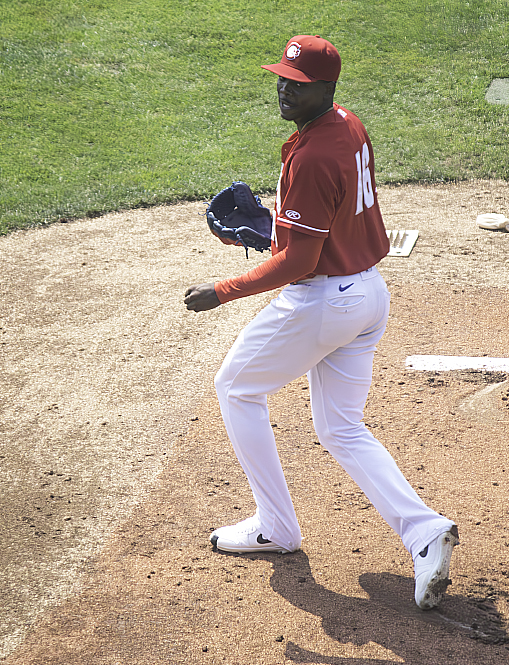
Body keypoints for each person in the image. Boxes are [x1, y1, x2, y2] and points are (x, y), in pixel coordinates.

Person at [183, 35, 459, 609]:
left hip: (324, 302)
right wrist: (278, 231)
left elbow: (301, 263)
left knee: (235, 387)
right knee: (341, 428)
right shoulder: (347, 125)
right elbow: (327, 222)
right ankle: (425, 530)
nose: (285, 90)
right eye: (283, 79)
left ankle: (275, 526)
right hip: (367, 295)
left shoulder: (311, 158)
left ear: (327, 87)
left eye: (299, 84)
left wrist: (223, 290)